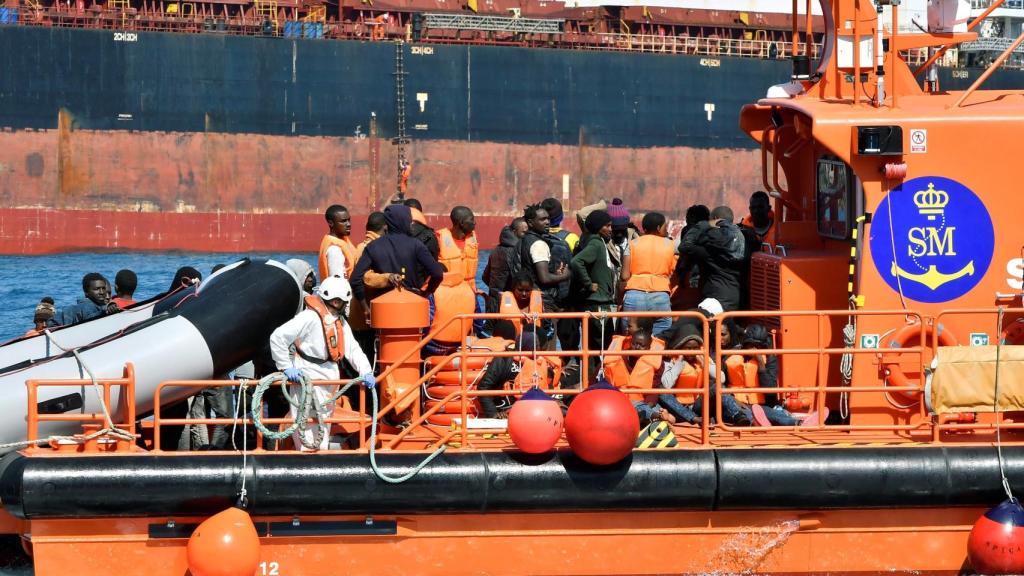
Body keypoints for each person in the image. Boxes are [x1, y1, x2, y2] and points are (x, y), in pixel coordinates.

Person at [269, 275, 375, 451]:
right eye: (339, 302)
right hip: (306, 375)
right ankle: (305, 457)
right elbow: (278, 337)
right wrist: (286, 367)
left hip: (329, 377)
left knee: (324, 422)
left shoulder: (339, 322)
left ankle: (321, 453)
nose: (342, 306)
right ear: (333, 300)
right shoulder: (309, 317)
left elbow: (352, 349)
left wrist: (366, 371)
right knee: (304, 422)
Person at [351, 203, 444, 324]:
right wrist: (426, 293)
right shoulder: (416, 245)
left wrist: (365, 308)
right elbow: (437, 273)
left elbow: (354, 279)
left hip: (383, 310)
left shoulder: (373, 246)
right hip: (411, 307)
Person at [475, 323, 560, 418]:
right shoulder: (504, 360)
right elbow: (483, 387)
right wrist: (493, 414)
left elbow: (549, 389)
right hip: (507, 410)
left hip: (537, 411)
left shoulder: (542, 363)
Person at [570, 210, 617, 373]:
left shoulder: (592, 241)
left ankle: (590, 379)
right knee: (603, 346)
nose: (611, 229)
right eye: (607, 226)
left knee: (591, 347)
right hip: (599, 304)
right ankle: (600, 379)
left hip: (594, 304)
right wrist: (589, 284)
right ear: (598, 227)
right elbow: (577, 262)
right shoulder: (596, 243)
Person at [520, 205, 572, 346]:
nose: (547, 222)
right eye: (542, 219)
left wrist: (554, 273)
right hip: (544, 302)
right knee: (547, 345)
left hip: (531, 299)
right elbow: (544, 278)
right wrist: (565, 275)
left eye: (548, 218)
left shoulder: (524, 240)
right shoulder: (539, 244)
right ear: (530, 223)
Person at [679, 205, 745, 312]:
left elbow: (684, 246)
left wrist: (703, 225)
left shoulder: (710, 250)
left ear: (715, 220)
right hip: (734, 296)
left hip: (715, 299)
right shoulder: (742, 240)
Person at [621, 212, 675, 335]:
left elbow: (624, 276)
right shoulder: (670, 245)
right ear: (658, 228)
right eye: (664, 227)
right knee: (660, 340)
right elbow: (674, 272)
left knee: (630, 338)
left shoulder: (632, 244)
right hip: (660, 295)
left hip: (634, 295)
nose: (666, 230)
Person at [348, 211, 393, 357]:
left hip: (365, 318)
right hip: (363, 320)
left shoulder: (364, 246)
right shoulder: (367, 248)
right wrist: (389, 278)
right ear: (385, 229)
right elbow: (364, 278)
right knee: (366, 358)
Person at [603, 322, 665, 412]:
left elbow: (654, 390)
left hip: (642, 404)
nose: (637, 347)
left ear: (648, 348)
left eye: (642, 346)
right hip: (616, 403)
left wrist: (645, 407)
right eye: (634, 344)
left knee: (655, 410)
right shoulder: (616, 358)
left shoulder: (657, 364)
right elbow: (598, 380)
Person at [482, 217, 527, 316]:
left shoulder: (496, 249)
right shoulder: (516, 251)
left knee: (493, 330)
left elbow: (485, 277)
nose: (526, 235)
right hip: (508, 303)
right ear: (514, 232)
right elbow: (518, 278)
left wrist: (495, 290)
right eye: (524, 232)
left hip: (493, 302)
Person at [49, 273, 119, 327]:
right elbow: (91, 317)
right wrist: (107, 309)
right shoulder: (86, 307)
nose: (101, 292)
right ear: (86, 292)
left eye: (103, 288)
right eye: (97, 289)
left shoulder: (98, 306)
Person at [496, 273, 543, 338]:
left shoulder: (539, 302)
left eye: (527, 290)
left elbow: (548, 328)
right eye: (520, 290)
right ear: (513, 288)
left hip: (533, 345)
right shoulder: (499, 302)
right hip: (507, 345)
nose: (524, 293)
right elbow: (487, 329)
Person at [318, 204, 357, 281]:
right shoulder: (334, 250)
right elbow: (337, 283)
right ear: (331, 223)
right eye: (343, 221)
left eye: (349, 220)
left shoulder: (343, 242)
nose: (348, 224)